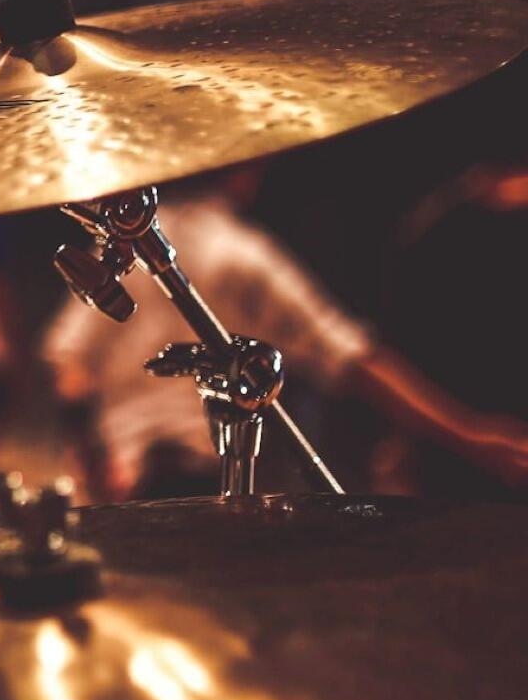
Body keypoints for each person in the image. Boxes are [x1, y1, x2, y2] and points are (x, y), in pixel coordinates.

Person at [42, 167, 528, 502]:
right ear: (243, 166)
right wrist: (471, 435)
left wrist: (95, 464)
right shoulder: (241, 254)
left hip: (125, 487)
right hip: (211, 484)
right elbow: (352, 358)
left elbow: (67, 372)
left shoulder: (127, 248)